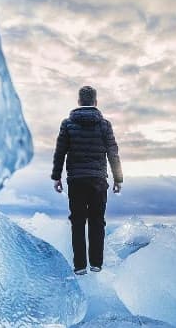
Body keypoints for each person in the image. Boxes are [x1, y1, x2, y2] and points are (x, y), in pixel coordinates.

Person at [51, 85, 123, 274]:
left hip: (76, 179)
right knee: (97, 221)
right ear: (95, 102)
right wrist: (118, 179)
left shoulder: (67, 124)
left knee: (77, 222)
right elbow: (112, 152)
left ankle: (80, 266)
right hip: (98, 180)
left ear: (79, 102)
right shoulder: (104, 125)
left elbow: (60, 152)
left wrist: (56, 176)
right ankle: (96, 263)